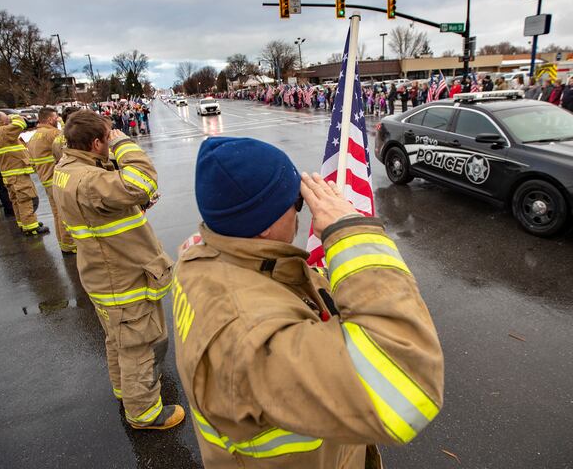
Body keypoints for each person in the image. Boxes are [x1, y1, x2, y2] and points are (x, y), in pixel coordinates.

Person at [172, 136, 444, 469]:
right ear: (265, 228)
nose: (305, 212)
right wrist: (353, 235)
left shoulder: (203, 256)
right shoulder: (250, 336)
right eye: (298, 203)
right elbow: (410, 386)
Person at [51, 109, 184, 431]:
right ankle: (144, 412)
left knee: (118, 339)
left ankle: (125, 389)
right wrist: (124, 142)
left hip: (103, 275)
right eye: (108, 139)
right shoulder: (90, 180)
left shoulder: (68, 170)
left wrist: (131, 201)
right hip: (122, 279)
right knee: (140, 343)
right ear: (97, 143)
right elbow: (142, 180)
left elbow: (106, 204)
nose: (111, 144)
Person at [0, 112, 49, 235]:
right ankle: (31, 227)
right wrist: (13, 116)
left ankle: (24, 222)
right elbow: (21, 123)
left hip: (9, 173)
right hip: (17, 172)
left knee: (16, 200)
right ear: (2, 121)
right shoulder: (3, 131)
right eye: (6, 119)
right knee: (26, 198)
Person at [27, 107, 75, 254]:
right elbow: (67, 145)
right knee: (65, 214)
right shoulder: (52, 133)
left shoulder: (34, 136)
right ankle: (70, 245)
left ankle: (64, 244)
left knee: (57, 214)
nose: (57, 119)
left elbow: (33, 163)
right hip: (57, 179)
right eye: (56, 117)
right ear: (49, 119)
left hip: (46, 180)